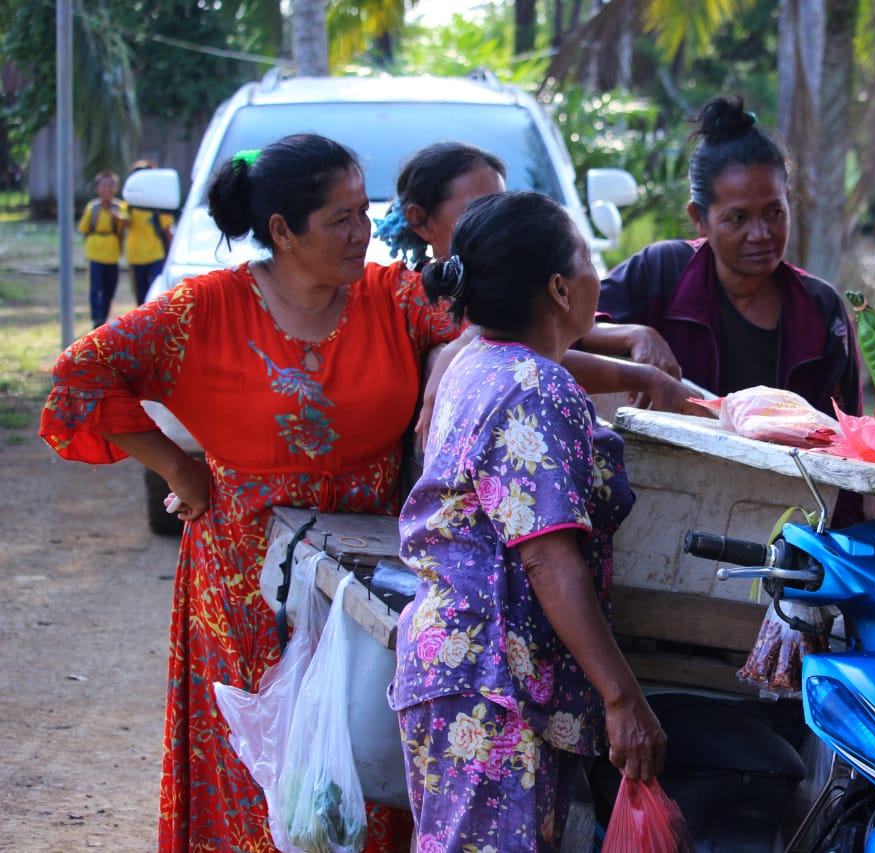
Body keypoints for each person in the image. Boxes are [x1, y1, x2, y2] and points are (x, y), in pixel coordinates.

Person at [40, 133, 461, 852]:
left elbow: (486, 335)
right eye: (341, 218)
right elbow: (80, 377)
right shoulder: (202, 310)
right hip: (244, 585)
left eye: (365, 213)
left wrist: (638, 361)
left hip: (367, 584)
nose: (363, 232)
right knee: (259, 777)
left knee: (366, 763)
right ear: (281, 231)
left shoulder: (391, 296)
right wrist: (178, 468)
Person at [392, 191, 666, 850]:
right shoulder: (537, 391)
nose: (596, 269)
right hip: (494, 681)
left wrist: (651, 378)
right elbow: (548, 557)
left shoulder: (480, 360)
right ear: (559, 288)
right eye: (586, 255)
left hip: (458, 664)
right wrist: (622, 695)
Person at [578, 95, 863, 522]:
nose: (761, 234)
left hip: (779, 518)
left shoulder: (821, 309)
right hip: (664, 503)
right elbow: (562, 332)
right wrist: (637, 335)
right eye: (737, 218)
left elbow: (849, 439)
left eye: (774, 213)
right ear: (699, 217)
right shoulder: (660, 272)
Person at [375, 140, 704, 433]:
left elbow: (553, 330)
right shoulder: (423, 299)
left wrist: (636, 334)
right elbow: (527, 358)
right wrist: (642, 376)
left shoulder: (500, 297)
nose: (498, 217)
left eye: (499, 202)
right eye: (475, 209)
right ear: (419, 219)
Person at [121, 159, 175, 305]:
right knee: (140, 294)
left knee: (158, 294)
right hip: (136, 256)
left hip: (156, 255)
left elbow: (167, 231)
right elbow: (124, 222)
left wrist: (172, 253)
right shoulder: (128, 206)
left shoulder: (159, 205)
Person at [77, 170, 124, 327]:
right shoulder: (93, 208)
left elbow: (125, 227)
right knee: (96, 288)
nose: (107, 189)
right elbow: (84, 228)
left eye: (111, 186)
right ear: (97, 189)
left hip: (112, 253)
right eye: (104, 186)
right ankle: (97, 318)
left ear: (116, 188)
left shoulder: (120, 208)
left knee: (110, 287)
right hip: (95, 253)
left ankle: (103, 315)